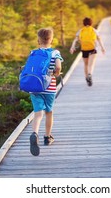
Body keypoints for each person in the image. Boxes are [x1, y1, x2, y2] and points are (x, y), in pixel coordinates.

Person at [29, 28, 63, 156]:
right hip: (49, 88)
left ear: (38, 40)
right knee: (49, 112)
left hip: (35, 87)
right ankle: (47, 137)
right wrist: (56, 73)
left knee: (38, 114)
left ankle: (34, 133)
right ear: (51, 40)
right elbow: (58, 67)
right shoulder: (55, 53)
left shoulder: (33, 52)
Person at [70, 17, 105, 86]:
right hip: (92, 49)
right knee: (90, 64)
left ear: (84, 23)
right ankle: (89, 74)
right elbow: (99, 39)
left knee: (86, 64)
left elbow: (75, 40)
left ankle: (87, 78)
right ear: (91, 23)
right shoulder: (94, 30)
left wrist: (72, 47)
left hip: (84, 49)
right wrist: (102, 48)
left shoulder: (81, 30)